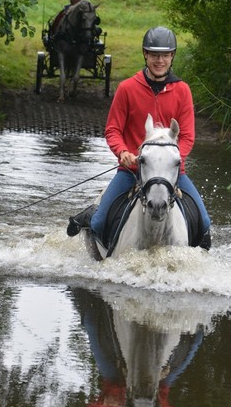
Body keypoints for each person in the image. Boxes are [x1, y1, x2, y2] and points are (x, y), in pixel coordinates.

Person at [90, 26, 211, 249]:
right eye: (154, 54)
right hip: (131, 171)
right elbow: (113, 130)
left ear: (172, 56)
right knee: (97, 222)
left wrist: (172, 160)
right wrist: (123, 152)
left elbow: (187, 137)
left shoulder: (183, 90)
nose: (159, 60)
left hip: (171, 173)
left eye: (165, 55)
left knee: (204, 223)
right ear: (145, 54)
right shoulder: (127, 88)